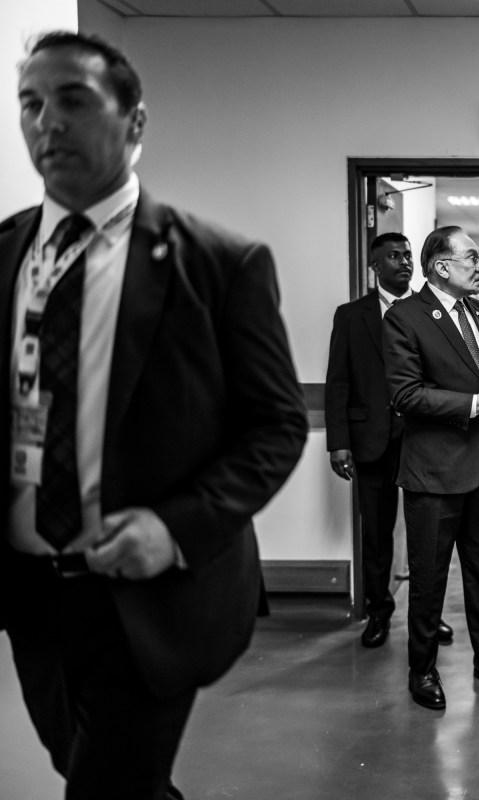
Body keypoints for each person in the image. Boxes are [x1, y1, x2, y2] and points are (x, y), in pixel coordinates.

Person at [0, 31, 308, 798]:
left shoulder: (217, 262)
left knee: (105, 786)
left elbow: (277, 425)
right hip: (30, 588)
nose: (47, 123)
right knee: (95, 769)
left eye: (73, 100)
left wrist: (172, 529)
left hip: (150, 594)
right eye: (30, 104)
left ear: (135, 122)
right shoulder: (5, 254)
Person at [384, 226, 479, 710]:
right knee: (429, 579)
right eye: (473, 258)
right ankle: (422, 670)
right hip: (433, 474)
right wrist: (476, 405)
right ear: (442, 266)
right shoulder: (405, 317)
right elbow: (405, 394)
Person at [325, 232, 452, 648]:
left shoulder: (429, 310)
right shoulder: (351, 315)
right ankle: (378, 611)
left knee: (427, 536)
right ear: (375, 266)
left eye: (408, 255)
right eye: (394, 256)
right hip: (371, 440)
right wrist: (338, 441)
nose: (405, 262)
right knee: (377, 535)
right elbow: (338, 382)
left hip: (421, 438)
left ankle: (428, 616)